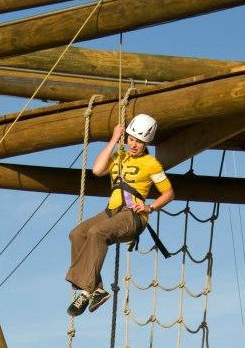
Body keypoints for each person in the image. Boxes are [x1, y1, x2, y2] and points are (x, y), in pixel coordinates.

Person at [65, 114, 174, 316]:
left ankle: (88, 289)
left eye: (139, 142)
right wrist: (114, 140)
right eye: (131, 140)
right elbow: (97, 170)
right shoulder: (118, 157)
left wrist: (150, 207)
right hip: (111, 212)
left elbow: (169, 193)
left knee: (97, 232)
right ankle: (95, 289)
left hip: (133, 216)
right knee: (77, 234)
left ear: (145, 144)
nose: (134, 145)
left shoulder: (151, 164)